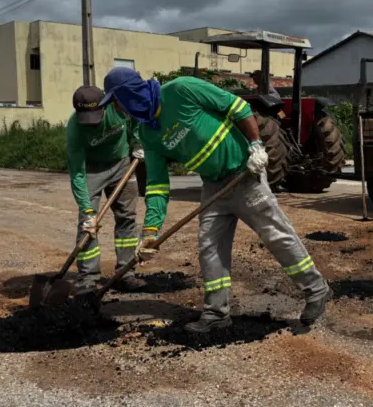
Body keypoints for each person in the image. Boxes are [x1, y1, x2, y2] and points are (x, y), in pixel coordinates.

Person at [99, 67, 332, 333]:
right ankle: (216, 313)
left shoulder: (181, 89)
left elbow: (238, 107)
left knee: (275, 234)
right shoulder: (148, 132)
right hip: (213, 186)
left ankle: (316, 289)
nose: (118, 108)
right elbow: (157, 185)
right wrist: (151, 231)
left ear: (129, 93)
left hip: (244, 173)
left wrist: (256, 145)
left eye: (117, 101)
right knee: (210, 247)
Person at [66, 85, 147, 294]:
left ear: (106, 105)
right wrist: (87, 210)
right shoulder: (75, 129)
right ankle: (88, 278)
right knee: (87, 224)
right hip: (91, 170)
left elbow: (137, 121)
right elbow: (77, 173)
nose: (92, 124)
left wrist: (137, 142)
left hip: (121, 164)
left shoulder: (118, 108)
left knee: (127, 218)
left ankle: (125, 274)